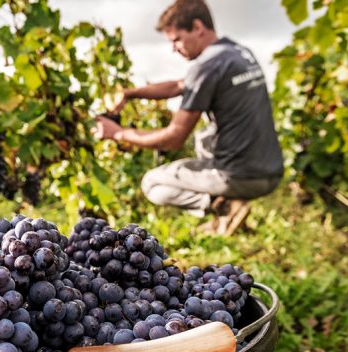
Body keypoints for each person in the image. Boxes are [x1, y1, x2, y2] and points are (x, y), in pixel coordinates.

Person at [93, 0, 284, 222]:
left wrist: (118, 133)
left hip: (238, 176)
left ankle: (225, 207)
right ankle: (225, 211)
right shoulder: (237, 53)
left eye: (177, 40)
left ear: (197, 27)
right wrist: (130, 93)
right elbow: (178, 86)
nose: (174, 48)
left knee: (152, 183)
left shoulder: (206, 67)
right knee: (207, 140)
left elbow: (174, 139)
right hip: (271, 171)